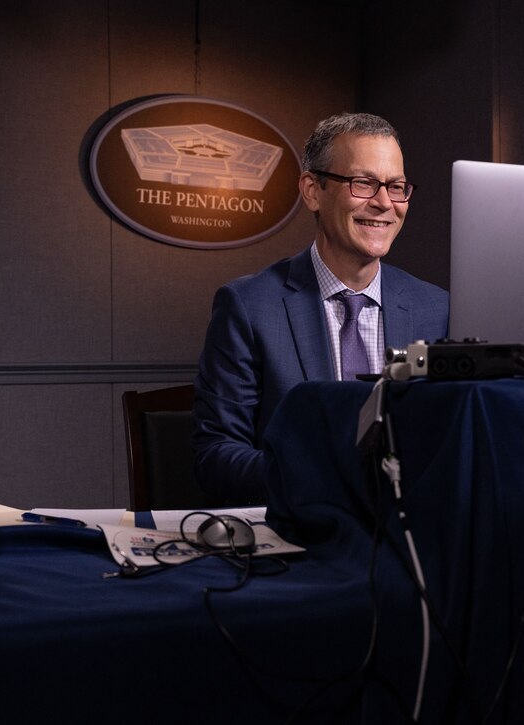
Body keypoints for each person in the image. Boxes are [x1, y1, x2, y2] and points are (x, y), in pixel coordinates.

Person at [191, 112, 449, 502]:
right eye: (364, 184)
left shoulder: (437, 308)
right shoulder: (248, 307)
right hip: (298, 539)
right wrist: (324, 479)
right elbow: (216, 457)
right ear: (313, 190)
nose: (384, 203)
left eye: (396, 187)